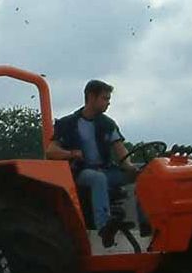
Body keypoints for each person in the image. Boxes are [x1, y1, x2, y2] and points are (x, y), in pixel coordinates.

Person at [46, 79, 138, 236]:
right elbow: (51, 152)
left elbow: (120, 150)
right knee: (98, 178)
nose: (108, 103)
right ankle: (104, 226)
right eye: (105, 98)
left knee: (146, 174)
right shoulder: (68, 123)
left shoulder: (107, 124)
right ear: (91, 97)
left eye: (108, 99)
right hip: (81, 172)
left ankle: (147, 226)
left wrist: (131, 167)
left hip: (107, 170)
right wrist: (71, 154)